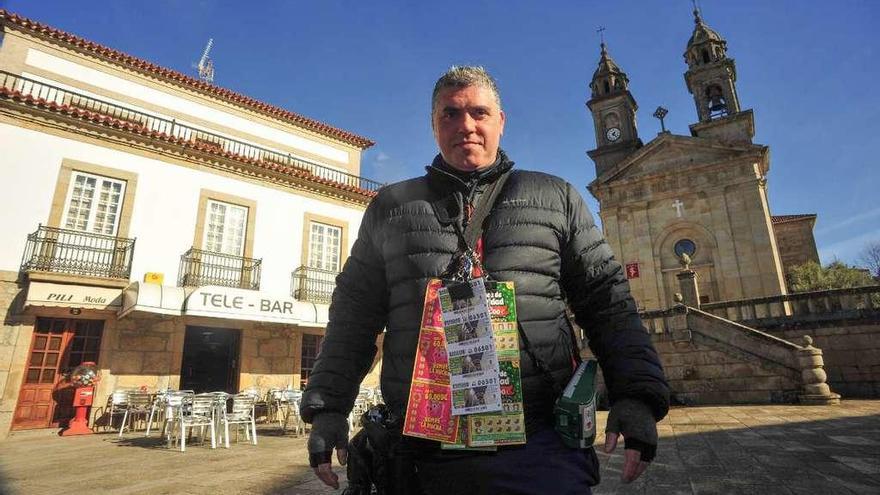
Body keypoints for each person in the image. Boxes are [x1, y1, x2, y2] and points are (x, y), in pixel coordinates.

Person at [300, 66, 670, 494]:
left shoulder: (557, 198)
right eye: (450, 114)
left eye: (479, 112)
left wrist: (637, 395)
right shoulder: (391, 208)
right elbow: (353, 315)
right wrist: (328, 408)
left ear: (501, 120)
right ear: (433, 125)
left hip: (540, 445)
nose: (466, 126)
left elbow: (607, 301)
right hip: (422, 450)